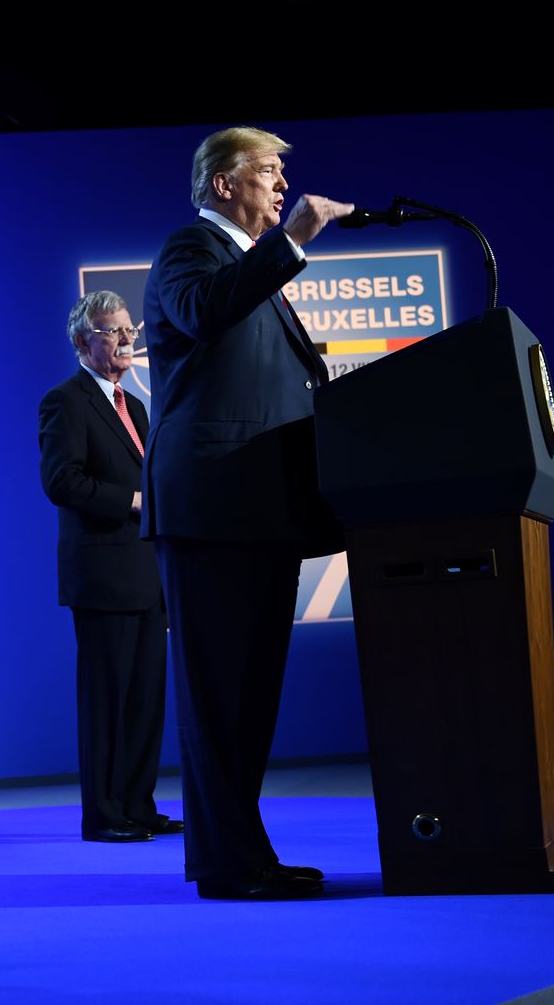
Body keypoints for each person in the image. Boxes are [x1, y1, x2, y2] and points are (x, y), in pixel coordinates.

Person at [142, 127, 352, 899]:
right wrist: (292, 240)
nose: (281, 184)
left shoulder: (245, 264)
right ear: (223, 184)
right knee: (220, 698)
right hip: (212, 509)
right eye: (266, 171)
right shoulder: (190, 249)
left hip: (259, 511)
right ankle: (228, 865)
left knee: (249, 698)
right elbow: (204, 311)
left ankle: (244, 854)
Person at [38, 292, 177, 843]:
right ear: (81, 341)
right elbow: (62, 482)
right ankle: (103, 815)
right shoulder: (65, 401)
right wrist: (133, 501)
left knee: (145, 701)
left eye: (127, 329)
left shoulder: (135, 406)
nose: (124, 339)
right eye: (110, 330)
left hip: (147, 577)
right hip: (102, 579)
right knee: (106, 704)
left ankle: (138, 806)